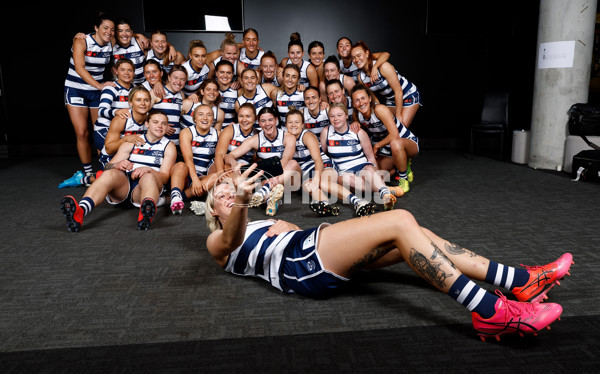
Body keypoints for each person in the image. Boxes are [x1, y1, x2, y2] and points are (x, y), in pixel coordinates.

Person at [204, 165, 573, 341]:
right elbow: (232, 241)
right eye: (219, 196)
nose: (227, 193)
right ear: (213, 213)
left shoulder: (257, 224)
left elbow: (265, 232)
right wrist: (239, 202)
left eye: (229, 189)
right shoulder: (217, 240)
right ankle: (489, 311)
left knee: (416, 234)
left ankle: (520, 281)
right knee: (399, 219)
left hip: (313, 252)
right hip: (303, 266)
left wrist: (291, 228)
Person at [60, 109, 177, 232]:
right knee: (109, 173)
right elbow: (107, 167)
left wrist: (149, 170)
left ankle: (145, 215)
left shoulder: (169, 146)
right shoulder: (132, 141)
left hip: (144, 189)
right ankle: (80, 211)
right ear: (147, 124)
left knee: (148, 176)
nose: (160, 126)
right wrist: (117, 165)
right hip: (124, 187)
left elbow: (164, 177)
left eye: (164, 123)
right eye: (156, 122)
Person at [60, 13, 116, 189]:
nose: (109, 32)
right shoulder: (82, 41)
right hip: (76, 88)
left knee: (100, 132)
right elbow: (79, 68)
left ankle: (105, 172)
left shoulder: (111, 43)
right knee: (82, 132)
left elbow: (129, 36)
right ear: (96, 28)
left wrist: (139, 38)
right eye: (105, 27)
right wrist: (100, 86)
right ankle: (88, 173)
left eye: (112, 29)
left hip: (96, 91)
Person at [223, 107, 298, 216]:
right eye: (263, 121)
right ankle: (269, 201)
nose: (267, 124)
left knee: (293, 163)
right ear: (259, 123)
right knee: (264, 178)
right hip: (270, 180)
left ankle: (265, 191)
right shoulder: (255, 140)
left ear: (276, 120)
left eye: (270, 120)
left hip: (289, 177)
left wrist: (274, 175)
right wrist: (234, 163)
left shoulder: (288, 137)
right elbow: (229, 156)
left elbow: (286, 159)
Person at [320, 103, 396, 211]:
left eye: (339, 115)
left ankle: (386, 196)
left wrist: (376, 173)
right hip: (344, 172)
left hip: (362, 166)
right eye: (332, 116)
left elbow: (370, 158)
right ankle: (384, 188)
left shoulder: (358, 132)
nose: (335, 119)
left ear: (346, 116)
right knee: (345, 179)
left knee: (369, 170)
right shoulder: (326, 132)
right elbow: (322, 154)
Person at [352, 84, 419, 194]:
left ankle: (403, 179)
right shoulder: (358, 115)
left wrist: (377, 146)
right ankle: (398, 167)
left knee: (395, 143)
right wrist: (355, 122)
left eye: (363, 98)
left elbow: (394, 135)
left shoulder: (379, 109)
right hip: (388, 151)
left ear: (369, 98)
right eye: (357, 100)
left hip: (407, 143)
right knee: (376, 178)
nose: (361, 103)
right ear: (354, 104)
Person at [351, 41, 421, 127]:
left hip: (408, 94)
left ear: (367, 53)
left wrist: (398, 114)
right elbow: (373, 98)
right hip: (391, 101)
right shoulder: (360, 78)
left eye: (359, 55)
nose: (357, 60)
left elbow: (398, 91)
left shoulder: (383, 67)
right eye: (353, 58)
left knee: (400, 129)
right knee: (388, 128)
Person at [285, 108, 340, 217]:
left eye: (297, 122)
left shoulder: (307, 136)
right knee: (308, 187)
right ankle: (326, 205)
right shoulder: (285, 138)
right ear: (286, 124)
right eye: (290, 122)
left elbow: (318, 160)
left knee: (322, 184)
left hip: (322, 165)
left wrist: (316, 179)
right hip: (306, 171)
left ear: (302, 124)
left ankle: (357, 201)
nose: (293, 125)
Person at [169, 104, 219, 214]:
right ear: (194, 119)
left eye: (209, 115)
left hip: (203, 178)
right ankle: (176, 197)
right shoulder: (187, 132)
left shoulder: (218, 134)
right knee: (180, 165)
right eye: (201, 115)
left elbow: (219, 158)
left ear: (213, 119)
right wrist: (195, 179)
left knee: (220, 175)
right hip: (186, 175)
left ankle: (179, 198)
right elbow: (188, 158)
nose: (205, 118)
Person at [99, 85, 151, 170]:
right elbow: (109, 149)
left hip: (134, 155)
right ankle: (90, 178)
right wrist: (125, 139)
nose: (143, 103)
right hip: (113, 157)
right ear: (130, 102)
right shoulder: (121, 119)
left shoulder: (152, 119)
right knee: (117, 180)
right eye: (138, 100)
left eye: (146, 100)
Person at [92, 58, 135, 157]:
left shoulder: (135, 90)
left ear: (133, 72)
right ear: (116, 71)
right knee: (116, 158)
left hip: (122, 131)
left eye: (130, 70)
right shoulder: (110, 88)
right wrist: (116, 111)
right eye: (122, 70)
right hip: (104, 129)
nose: (126, 73)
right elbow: (101, 111)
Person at [213, 103, 258, 174]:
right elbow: (220, 155)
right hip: (223, 164)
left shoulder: (257, 135)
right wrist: (220, 172)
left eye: (248, 116)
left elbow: (255, 160)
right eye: (241, 116)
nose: (244, 120)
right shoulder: (230, 130)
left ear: (255, 118)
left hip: (243, 168)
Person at [150, 64, 187, 146]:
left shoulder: (181, 95)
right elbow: (142, 115)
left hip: (176, 144)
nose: (178, 82)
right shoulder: (156, 92)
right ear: (169, 77)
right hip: (159, 144)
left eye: (182, 79)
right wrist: (161, 126)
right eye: (175, 78)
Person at [215, 60, 239, 128]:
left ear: (232, 74)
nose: (225, 76)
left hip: (230, 129)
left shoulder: (238, 92)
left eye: (228, 73)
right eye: (222, 72)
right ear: (216, 73)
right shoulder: (210, 89)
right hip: (212, 129)